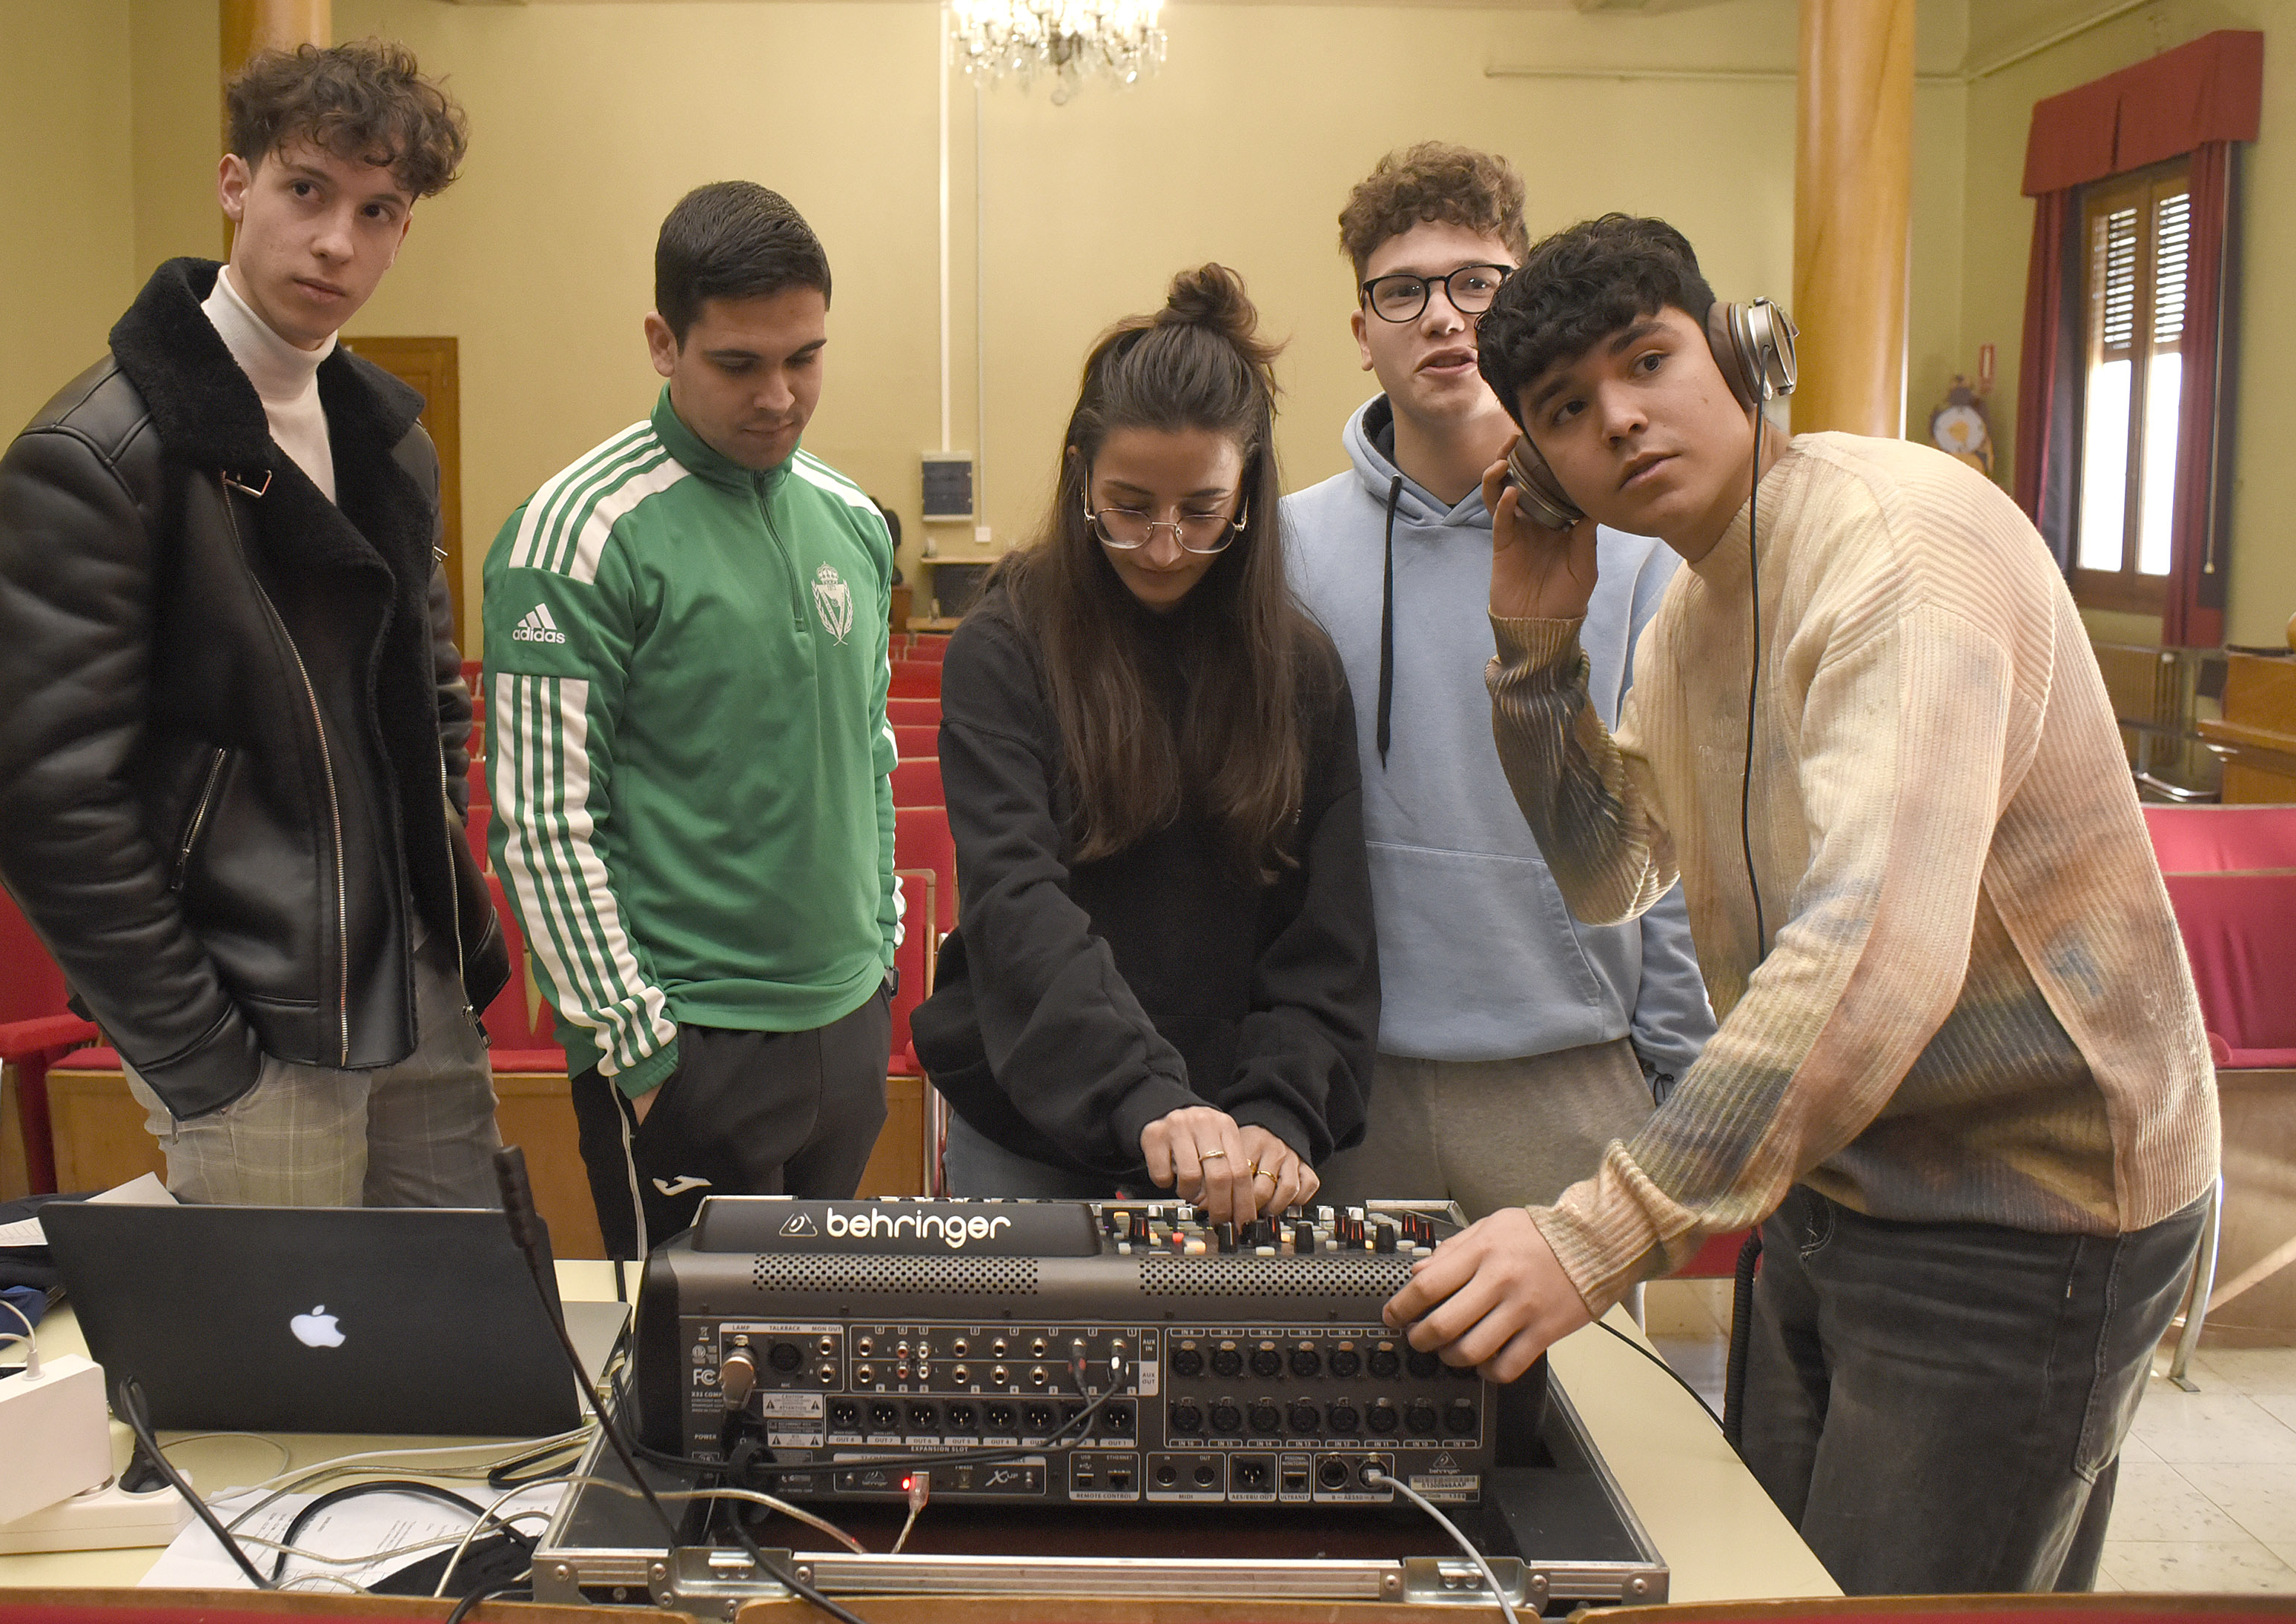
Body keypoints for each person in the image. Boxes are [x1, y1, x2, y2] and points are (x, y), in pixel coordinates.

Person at [1383, 213, 2220, 1594]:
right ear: (1545, 465)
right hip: (1838, 1186)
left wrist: (1600, 1230)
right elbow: (1617, 875)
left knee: (1904, 1596)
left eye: (1648, 360)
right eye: (1571, 411)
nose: (1626, 421)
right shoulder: (1693, 617)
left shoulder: (1901, 549)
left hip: (2032, 1213)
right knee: (1783, 1581)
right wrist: (1533, 649)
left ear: (1739, 348)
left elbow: (1876, 952)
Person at [0, 42, 510, 1206]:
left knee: (455, 1363)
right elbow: (45, 805)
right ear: (235, 184)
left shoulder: (384, 434)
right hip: (250, 1021)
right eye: (305, 191)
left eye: (378, 211)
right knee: (287, 1388)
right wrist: (203, 1056)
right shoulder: (95, 456)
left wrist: (436, 915)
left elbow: (433, 703)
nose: (336, 242)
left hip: (411, 988)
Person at [1285, 144, 1713, 1217]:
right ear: (1362, 330)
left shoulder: (1633, 540)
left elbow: (1673, 823)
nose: (1444, 316)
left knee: (1577, 1394)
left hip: (1572, 1077)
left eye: (1478, 283)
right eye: (1404, 290)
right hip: (1351, 1081)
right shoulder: (1284, 549)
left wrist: (1676, 1073)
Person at [912, 265, 1378, 1221]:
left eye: (1201, 511)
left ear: (1249, 495)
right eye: (1129, 507)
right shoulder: (1007, 648)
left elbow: (1325, 938)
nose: (1164, 547)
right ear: (1082, 473)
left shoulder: (1300, 668)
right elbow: (1017, 904)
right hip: (1034, 1120)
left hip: (1234, 1141)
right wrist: (1146, 1097)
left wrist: (1278, 1112)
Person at [485, 182, 897, 1259]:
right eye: (739, 363)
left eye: (804, 356)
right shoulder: (576, 532)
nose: (780, 396)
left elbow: (870, 750)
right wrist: (643, 1053)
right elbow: (542, 824)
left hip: (844, 1026)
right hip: (688, 1041)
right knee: (690, 1390)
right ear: (664, 343)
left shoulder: (853, 517)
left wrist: (882, 957)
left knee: (816, 1373)